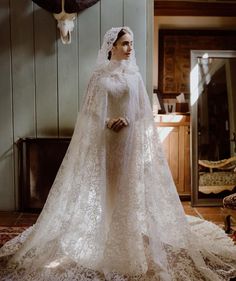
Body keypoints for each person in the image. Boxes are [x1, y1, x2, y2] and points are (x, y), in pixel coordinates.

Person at [0, 26, 236, 281]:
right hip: (107, 144)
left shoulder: (135, 76)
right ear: (111, 46)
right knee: (109, 190)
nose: (130, 48)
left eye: (131, 43)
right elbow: (89, 114)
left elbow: (142, 114)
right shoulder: (99, 77)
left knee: (129, 191)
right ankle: (106, 239)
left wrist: (127, 119)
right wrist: (107, 121)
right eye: (124, 43)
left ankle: (128, 240)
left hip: (129, 142)